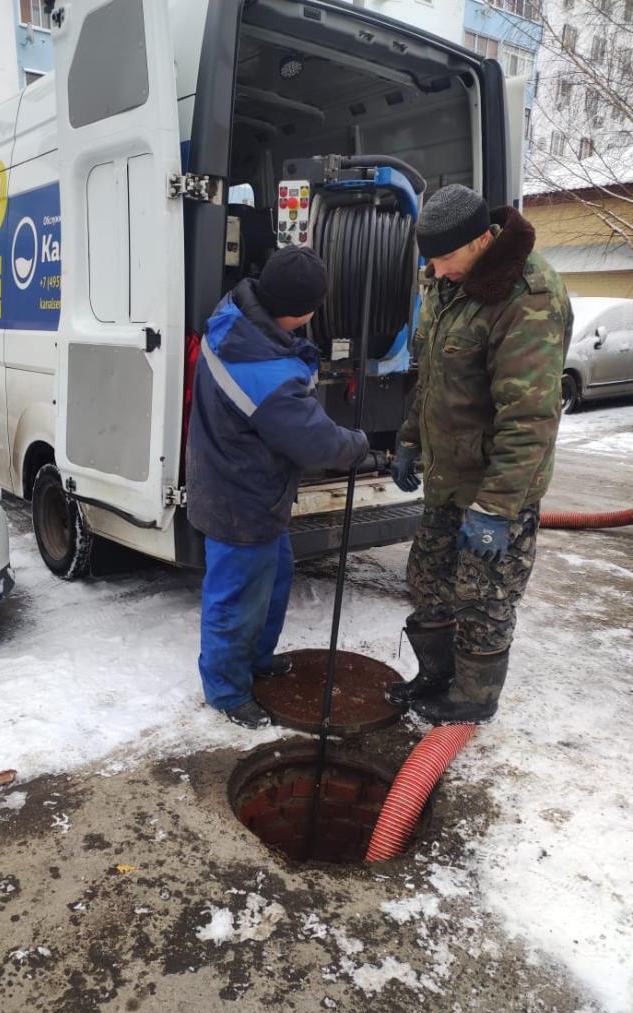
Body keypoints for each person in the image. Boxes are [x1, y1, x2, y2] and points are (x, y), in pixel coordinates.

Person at [388, 184, 573, 724]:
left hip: (497, 488)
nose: (437, 271)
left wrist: (495, 508)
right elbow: (431, 377)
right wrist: (407, 439)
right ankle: (436, 676)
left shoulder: (527, 298)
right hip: (448, 475)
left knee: (484, 597)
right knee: (428, 581)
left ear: (478, 242)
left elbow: (529, 419)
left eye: (444, 259)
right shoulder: (447, 285)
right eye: (431, 261)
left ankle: (472, 700)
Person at [187, 245, 369, 729]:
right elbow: (315, 441)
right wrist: (359, 446)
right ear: (304, 310)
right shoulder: (263, 372)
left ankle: (256, 659)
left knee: (274, 579)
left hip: (246, 486)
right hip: (240, 500)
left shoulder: (236, 315)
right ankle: (227, 691)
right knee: (236, 599)